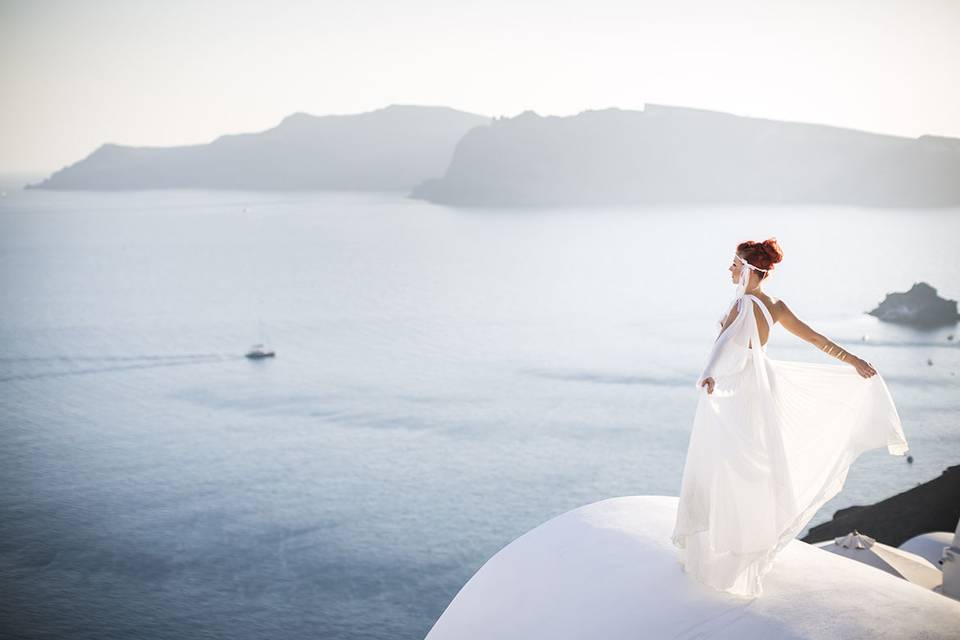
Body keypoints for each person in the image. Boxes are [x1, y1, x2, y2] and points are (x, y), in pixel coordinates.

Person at [670, 238, 909, 598]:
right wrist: (853, 361)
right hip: (762, 389)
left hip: (736, 392)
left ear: (749, 269)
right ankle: (744, 548)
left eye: (734, 264)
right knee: (754, 469)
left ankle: (722, 552)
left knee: (723, 467)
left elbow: (721, 345)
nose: (730, 269)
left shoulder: (743, 303)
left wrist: (709, 374)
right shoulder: (775, 306)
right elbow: (816, 339)